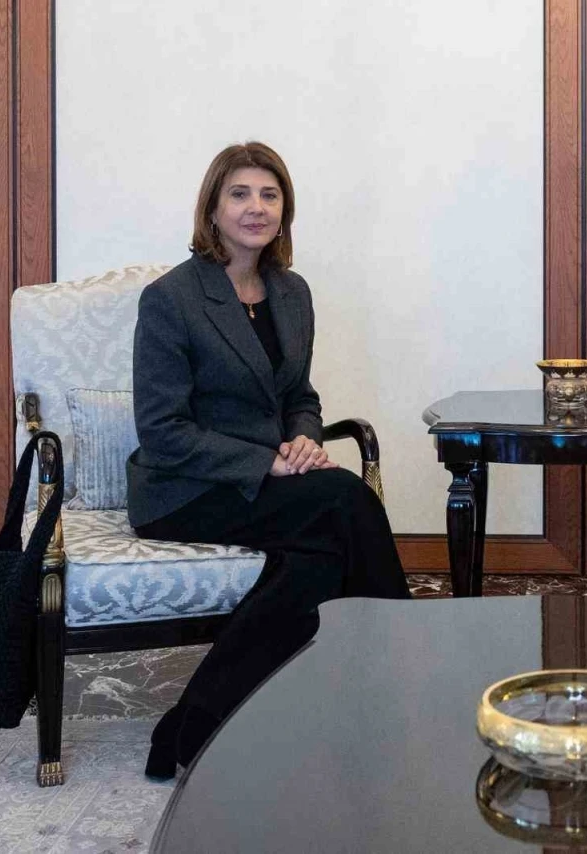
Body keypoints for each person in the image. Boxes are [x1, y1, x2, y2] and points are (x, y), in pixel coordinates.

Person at [127, 141, 411, 778]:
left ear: (285, 210)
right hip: (185, 488)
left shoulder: (291, 292)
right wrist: (266, 464)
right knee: (346, 500)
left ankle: (188, 726)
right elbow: (162, 431)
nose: (256, 207)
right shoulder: (171, 298)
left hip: (267, 485)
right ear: (213, 209)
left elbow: (299, 396)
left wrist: (305, 438)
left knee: (316, 560)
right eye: (240, 194)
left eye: (269, 194)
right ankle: (400, 682)